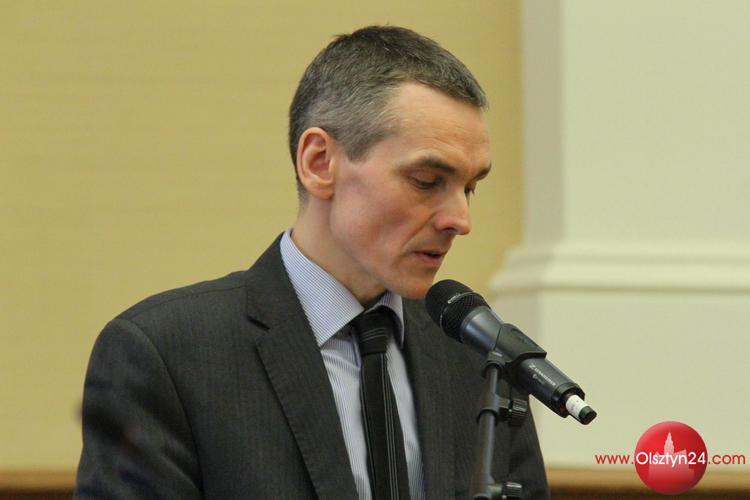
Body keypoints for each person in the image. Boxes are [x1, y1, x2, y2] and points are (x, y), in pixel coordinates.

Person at [75, 25, 549, 499]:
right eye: (427, 181)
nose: (460, 220)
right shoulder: (168, 355)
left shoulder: (479, 360)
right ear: (320, 162)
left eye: (470, 188)